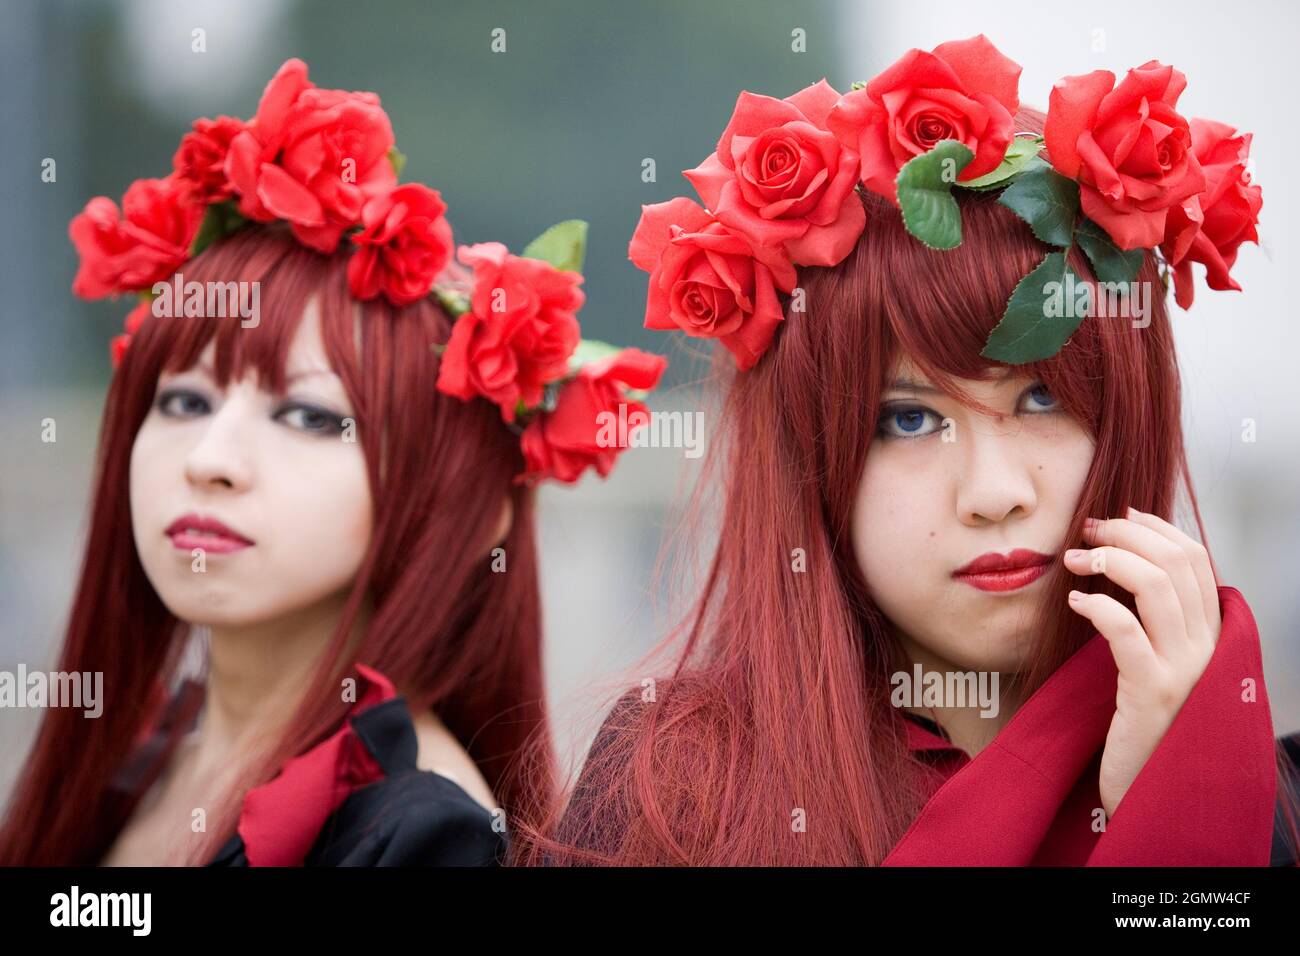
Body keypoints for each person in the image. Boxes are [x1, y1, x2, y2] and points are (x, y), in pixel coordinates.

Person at [512, 35, 1300, 866]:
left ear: (1129, 414)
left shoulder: (1267, 803)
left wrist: (1183, 808)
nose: (995, 494)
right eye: (910, 421)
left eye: (1044, 399)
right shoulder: (676, 795)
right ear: (811, 452)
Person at [0, 58, 664, 866]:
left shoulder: (419, 837)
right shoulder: (137, 763)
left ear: (462, 500)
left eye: (309, 417)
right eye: (182, 403)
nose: (210, 461)